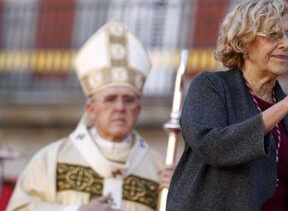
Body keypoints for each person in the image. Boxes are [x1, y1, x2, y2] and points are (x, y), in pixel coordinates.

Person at [167, 0, 288, 211]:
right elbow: (213, 147)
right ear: (243, 43)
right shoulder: (211, 86)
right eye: (273, 35)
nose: (286, 44)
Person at [7, 21, 174, 211]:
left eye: (128, 100)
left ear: (138, 110)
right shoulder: (52, 159)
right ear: (91, 109)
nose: (120, 107)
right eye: (110, 99)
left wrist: (181, 193)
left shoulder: (158, 167)